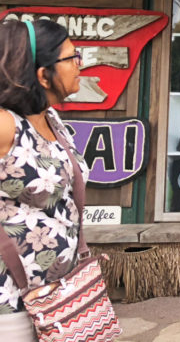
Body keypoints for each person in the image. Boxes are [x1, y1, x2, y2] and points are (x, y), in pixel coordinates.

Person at [0, 19, 88, 340]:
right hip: (11, 305)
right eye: (72, 58)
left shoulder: (50, 118)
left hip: (61, 296)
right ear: (42, 74)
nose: (80, 65)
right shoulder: (6, 126)